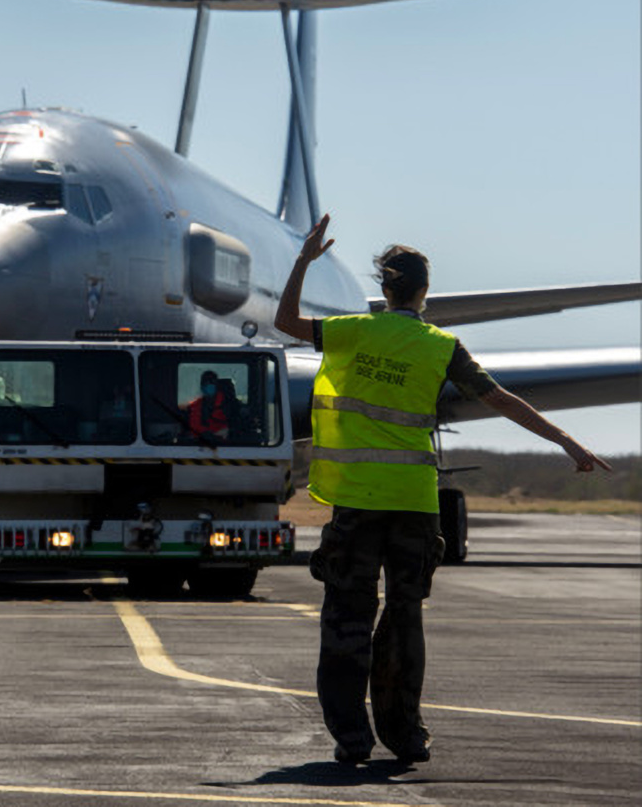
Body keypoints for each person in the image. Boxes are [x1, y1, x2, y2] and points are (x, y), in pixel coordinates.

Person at [275, 214, 610, 765]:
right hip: (413, 505)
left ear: (383, 289)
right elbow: (499, 398)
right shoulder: (440, 346)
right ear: (425, 293)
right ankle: (405, 736)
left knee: (346, 620)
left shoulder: (350, 331)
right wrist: (566, 441)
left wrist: (304, 260)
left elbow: (285, 321)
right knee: (405, 619)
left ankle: (351, 738)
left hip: (357, 503)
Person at [187, 370, 229, 441]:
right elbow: (192, 427)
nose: (208, 385)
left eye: (211, 382)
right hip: (197, 445)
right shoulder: (194, 406)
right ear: (201, 386)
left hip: (226, 445)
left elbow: (234, 427)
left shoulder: (229, 404)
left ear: (217, 385)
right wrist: (205, 433)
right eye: (205, 383)